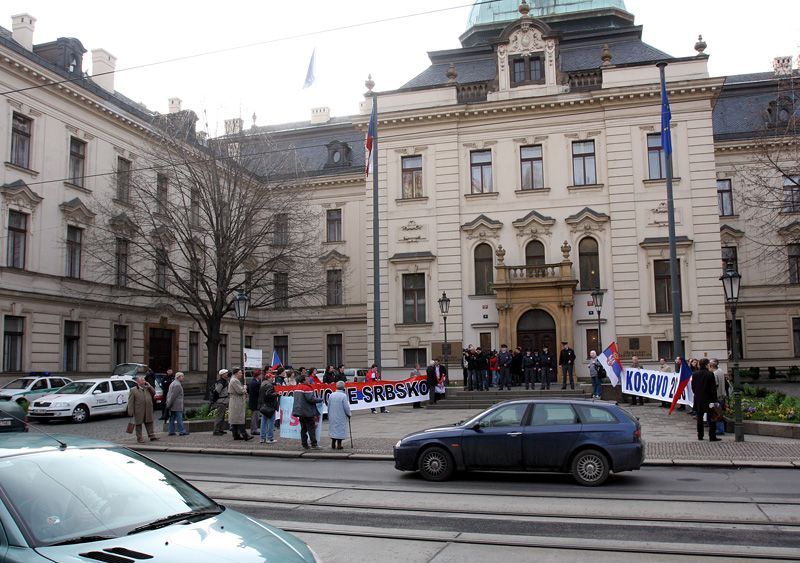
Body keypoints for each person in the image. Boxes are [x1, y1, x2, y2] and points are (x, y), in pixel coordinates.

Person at [292, 373, 323, 449]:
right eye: (307, 379)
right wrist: (320, 399)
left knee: (303, 428)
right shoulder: (306, 388)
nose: (309, 380)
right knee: (311, 428)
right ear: (303, 380)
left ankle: (304, 444)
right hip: (307, 411)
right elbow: (311, 399)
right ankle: (314, 444)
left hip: (300, 411)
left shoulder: (297, 387)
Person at [692, 358, 719, 441]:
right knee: (712, 417)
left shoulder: (695, 374)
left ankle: (700, 435)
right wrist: (715, 400)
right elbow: (713, 389)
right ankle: (712, 436)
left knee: (699, 417)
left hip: (698, 398)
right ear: (707, 365)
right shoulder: (710, 374)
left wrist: (697, 394)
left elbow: (693, 387)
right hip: (709, 399)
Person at [128, 375, 158, 444]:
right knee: (138, 424)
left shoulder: (147, 388)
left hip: (148, 409)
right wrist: (130, 411)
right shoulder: (133, 390)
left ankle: (152, 436)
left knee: (149, 422)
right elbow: (130, 402)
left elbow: (154, 393)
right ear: (138, 382)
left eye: (144, 380)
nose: (144, 381)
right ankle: (139, 438)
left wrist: (149, 386)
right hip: (139, 410)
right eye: (142, 380)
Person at [228, 368, 252, 441]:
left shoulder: (234, 380)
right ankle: (245, 435)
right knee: (239, 418)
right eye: (240, 373)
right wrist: (244, 388)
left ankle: (236, 435)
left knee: (235, 419)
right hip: (236, 401)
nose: (241, 374)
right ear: (236, 373)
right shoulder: (234, 380)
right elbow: (240, 391)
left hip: (236, 400)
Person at [327, 380, 352, 449]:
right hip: (341, 414)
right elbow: (346, 407)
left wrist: (328, 413)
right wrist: (349, 414)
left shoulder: (331, 395)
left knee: (333, 428)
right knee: (340, 429)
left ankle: (333, 442)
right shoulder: (343, 396)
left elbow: (328, 405)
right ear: (343, 387)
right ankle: (339, 444)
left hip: (332, 414)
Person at [258, 372, 278, 443]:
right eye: (272, 377)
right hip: (270, 406)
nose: (273, 379)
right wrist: (276, 394)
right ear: (268, 378)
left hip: (264, 406)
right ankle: (270, 438)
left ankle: (262, 438)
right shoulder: (269, 385)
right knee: (271, 422)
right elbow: (268, 394)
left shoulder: (262, 384)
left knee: (263, 422)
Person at [166, 372, 188, 436]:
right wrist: (169, 404)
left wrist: (168, 403)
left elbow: (169, 394)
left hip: (173, 405)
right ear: (178, 377)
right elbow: (173, 396)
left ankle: (171, 431)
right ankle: (182, 431)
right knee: (179, 418)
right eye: (182, 376)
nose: (183, 378)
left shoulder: (172, 383)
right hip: (177, 405)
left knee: (172, 418)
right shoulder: (177, 385)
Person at [710, 358, 728, 435]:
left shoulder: (715, 374)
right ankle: (721, 428)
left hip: (717, 396)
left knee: (717, 413)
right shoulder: (721, 371)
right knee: (720, 412)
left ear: (711, 366)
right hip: (722, 395)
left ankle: (720, 429)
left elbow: (715, 385)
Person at [211, 369, 230, 436]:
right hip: (221, 401)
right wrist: (215, 401)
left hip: (223, 401)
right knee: (219, 416)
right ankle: (216, 430)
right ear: (222, 375)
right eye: (226, 373)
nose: (227, 374)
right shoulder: (221, 383)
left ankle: (220, 429)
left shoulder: (224, 381)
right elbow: (216, 392)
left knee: (222, 417)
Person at [248, 369, 263, 435]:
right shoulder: (256, 383)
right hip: (255, 402)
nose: (261, 376)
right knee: (255, 416)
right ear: (258, 375)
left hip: (252, 401)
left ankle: (253, 429)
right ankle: (254, 430)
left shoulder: (252, 381)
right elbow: (259, 393)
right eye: (260, 374)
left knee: (254, 416)